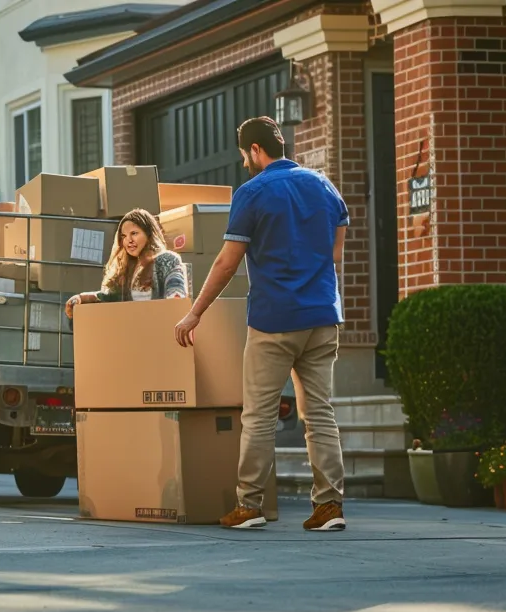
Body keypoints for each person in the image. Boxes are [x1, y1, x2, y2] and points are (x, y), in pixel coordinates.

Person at [174, 116, 347, 533]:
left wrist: (195, 311)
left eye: (244, 156)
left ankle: (249, 505)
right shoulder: (324, 185)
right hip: (323, 316)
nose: (244, 163)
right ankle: (329, 506)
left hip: (274, 319)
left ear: (255, 150)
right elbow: (335, 253)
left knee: (259, 416)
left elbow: (226, 262)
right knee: (319, 414)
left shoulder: (252, 193)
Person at [64, 208, 189, 319]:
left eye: (134, 233)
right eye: (124, 236)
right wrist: (81, 298)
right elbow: (109, 296)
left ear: (149, 234)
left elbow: (176, 290)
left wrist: (174, 300)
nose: (129, 240)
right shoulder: (129, 269)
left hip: (161, 330)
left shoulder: (167, 259)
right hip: (134, 334)